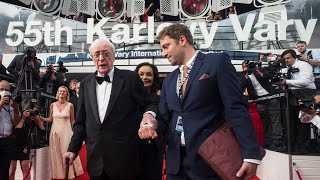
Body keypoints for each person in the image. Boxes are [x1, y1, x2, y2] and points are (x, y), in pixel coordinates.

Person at [139, 23, 261, 179]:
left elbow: (236, 108)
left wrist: (250, 154)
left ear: (182, 40)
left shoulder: (217, 62)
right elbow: (164, 118)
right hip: (176, 164)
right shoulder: (169, 80)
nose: (163, 53)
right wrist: (151, 125)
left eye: (166, 46)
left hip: (210, 160)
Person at [63, 38, 158, 180]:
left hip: (125, 162)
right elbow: (81, 122)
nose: (101, 58)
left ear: (114, 56)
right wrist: (72, 149)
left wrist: (148, 117)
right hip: (96, 162)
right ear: (92, 58)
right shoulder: (85, 84)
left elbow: (150, 103)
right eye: (97, 54)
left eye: (106, 54)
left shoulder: (130, 78)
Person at [41, 86, 83, 179]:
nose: (62, 93)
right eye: (60, 91)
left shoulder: (70, 105)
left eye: (64, 91)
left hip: (66, 132)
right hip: (55, 132)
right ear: (58, 93)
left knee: (66, 152)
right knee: (56, 154)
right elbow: (51, 119)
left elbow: (72, 121)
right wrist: (41, 118)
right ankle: (58, 175)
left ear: (67, 94)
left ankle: (70, 175)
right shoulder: (52, 105)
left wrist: (74, 132)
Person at [240, 61, 283, 151]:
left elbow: (271, 77)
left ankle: (277, 142)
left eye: (249, 66)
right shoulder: (244, 77)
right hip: (259, 101)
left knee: (275, 121)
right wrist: (245, 77)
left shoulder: (260, 71)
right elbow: (240, 88)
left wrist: (260, 73)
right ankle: (268, 142)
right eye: (245, 67)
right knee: (265, 122)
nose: (247, 68)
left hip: (271, 98)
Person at [135, 62, 163, 180]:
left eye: (148, 74)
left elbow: (164, 121)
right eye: (141, 74)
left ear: (154, 78)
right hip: (131, 149)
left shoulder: (160, 100)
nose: (144, 77)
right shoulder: (127, 98)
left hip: (153, 149)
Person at [9, 103, 45, 180]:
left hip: (25, 145)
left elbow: (43, 132)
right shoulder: (20, 117)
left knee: (26, 168)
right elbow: (17, 132)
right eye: (30, 111)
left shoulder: (33, 121)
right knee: (12, 169)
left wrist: (38, 121)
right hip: (13, 145)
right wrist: (23, 118)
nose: (32, 114)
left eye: (34, 112)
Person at [0, 80, 20, 179]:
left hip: (8, 140)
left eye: (6, 90)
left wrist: (16, 108)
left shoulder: (11, 103)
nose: (4, 92)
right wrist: (0, 103)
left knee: (5, 170)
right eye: (1, 89)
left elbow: (16, 123)